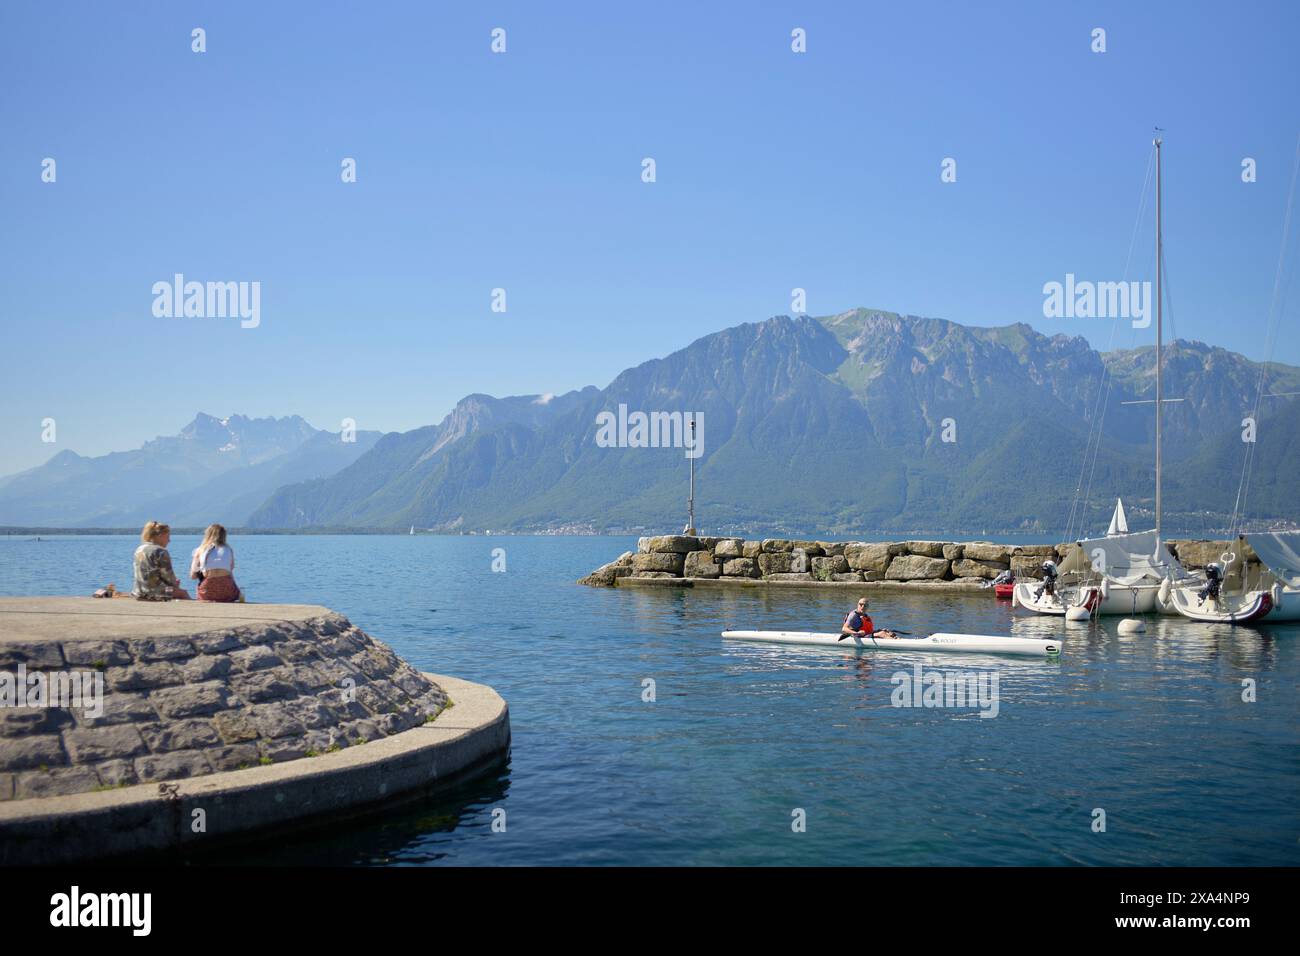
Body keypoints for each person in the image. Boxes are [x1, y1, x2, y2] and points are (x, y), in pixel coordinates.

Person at [132, 521, 189, 600]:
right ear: (160, 536)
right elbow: (168, 576)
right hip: (155, 592)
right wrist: (175, 585)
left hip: (138, 591)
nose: (169, 540)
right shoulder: (160, 551)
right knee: (183, 593)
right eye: (167, 536)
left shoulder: (139, 549)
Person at [190, 523, 241, 602]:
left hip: (207, 591)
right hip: (227, 591)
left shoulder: (200, 550)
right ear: (224, 536)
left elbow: (193, 576)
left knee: (201, 586)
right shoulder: (229, 550)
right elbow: (230, 571)